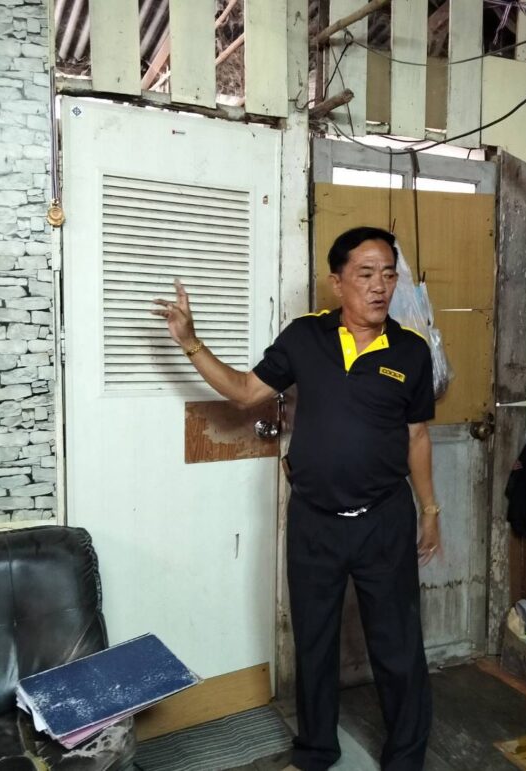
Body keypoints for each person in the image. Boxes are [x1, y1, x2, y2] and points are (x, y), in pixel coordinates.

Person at [152, 226, 439, 771]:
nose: (380, 286)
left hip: (384, 520)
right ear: (337, 282)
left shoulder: (411, 350)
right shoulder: (305, 337)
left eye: (388, 274)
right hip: (314, 521)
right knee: (314, 641)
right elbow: (244, 392)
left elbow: (417, 435)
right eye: (365, 273)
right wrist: (190, 342)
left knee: (398, 646)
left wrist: (430, 510)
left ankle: (406, 758)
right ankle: (316, 751)